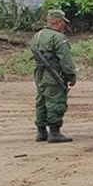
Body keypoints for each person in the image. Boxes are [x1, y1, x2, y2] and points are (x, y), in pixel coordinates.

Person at [30, 10, 77, 143]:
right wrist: (71, 76)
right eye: (63, 22)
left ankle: (41, 132)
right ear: (57, 22)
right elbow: (65, 60)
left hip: (40, 75)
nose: (64, 25)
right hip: (54, 74)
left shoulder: (38, 36)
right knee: (56, 101)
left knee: (41, 101)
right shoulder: (58, 37)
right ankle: (55, 133)